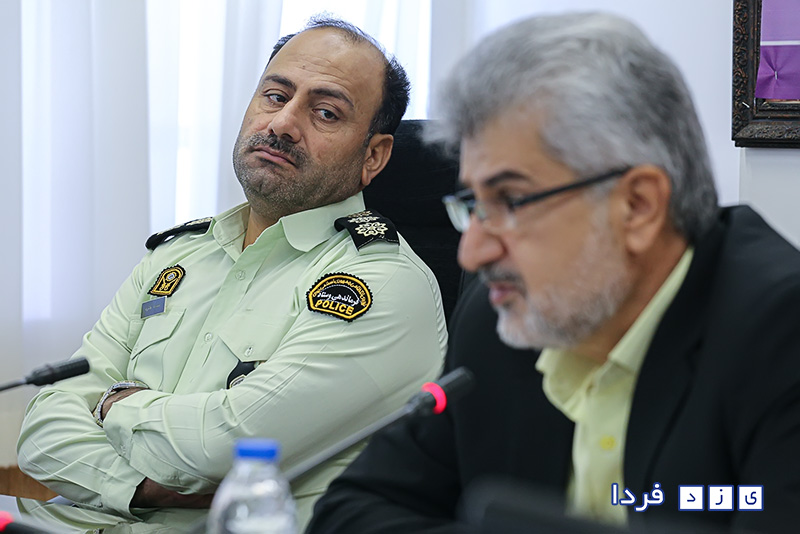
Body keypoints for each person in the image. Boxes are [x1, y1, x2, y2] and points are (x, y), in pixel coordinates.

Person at [307, 12, 800, 534]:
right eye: (473, 205)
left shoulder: (781, 336)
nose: (471, 253)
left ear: (637, 206)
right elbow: (351, 511)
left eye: (510, 201)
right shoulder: (499, 321)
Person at [16, 17, 447, 530]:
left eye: (325, 112)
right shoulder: (178, 256)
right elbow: (41, 429)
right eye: (275, 96)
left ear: (373, 155)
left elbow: (223, 448)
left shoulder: (383, 284)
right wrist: (140, 487)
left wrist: (110, 404)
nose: (282, 124)